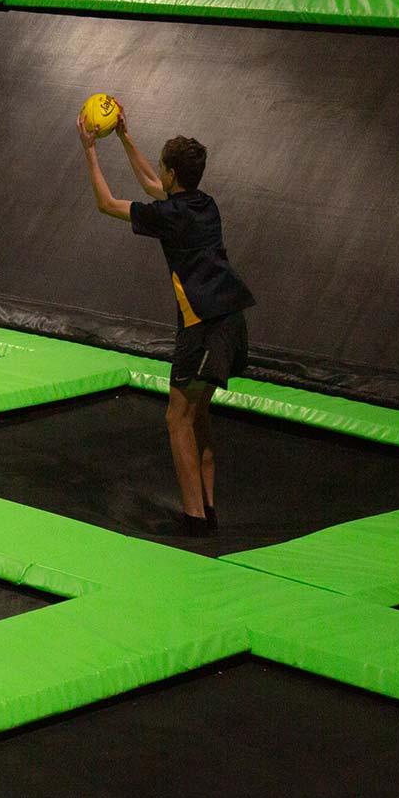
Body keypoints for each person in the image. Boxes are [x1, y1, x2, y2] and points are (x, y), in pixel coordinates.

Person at [77, 100, 255, 536]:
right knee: (199, 416)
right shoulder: (203, 204)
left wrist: (89, 149)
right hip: (232, 321)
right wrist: (123, 137)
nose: (160, 173)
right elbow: (152, 182)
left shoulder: (170, 216)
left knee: (176, 417)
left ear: (175, 174)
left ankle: (193, 517)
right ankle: (208, 509)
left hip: (204, 327)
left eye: (164, 167)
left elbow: (106, 203)